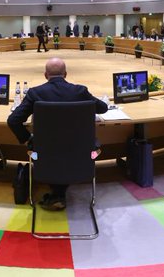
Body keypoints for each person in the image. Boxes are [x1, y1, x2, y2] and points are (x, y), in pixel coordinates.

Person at [7, 58, 108, 210]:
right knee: (70, 149)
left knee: (46, 149)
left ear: (45, 75)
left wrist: (29, 139)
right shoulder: (80, 91)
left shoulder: (35, 93)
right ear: (65, 74)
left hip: (44, 153)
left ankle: (57, 192)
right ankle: (60, 192)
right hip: (79, 153)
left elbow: (13, 120)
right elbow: (103, 108)